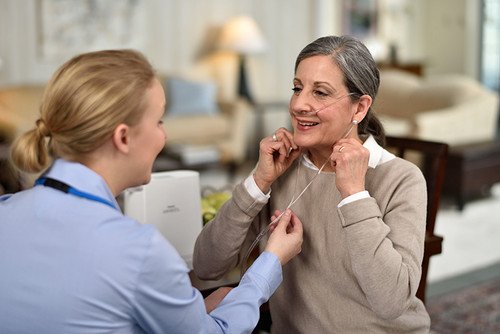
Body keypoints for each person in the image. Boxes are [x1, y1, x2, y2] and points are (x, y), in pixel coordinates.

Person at [0, 49, 303, 334]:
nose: (165, 134)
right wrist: (270, 262)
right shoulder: (138, 251)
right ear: (123, 137)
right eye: (158, 121)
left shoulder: (6, 210)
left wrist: (192, 313)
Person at [193, 35, 431, 332]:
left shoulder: (402, 179)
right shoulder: (281, 170)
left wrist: (355, 194)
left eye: (320, 93)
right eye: (297, 88)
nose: (299, 104)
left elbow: (392, 301)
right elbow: (207, 266)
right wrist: (259, 182)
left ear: (359, 109)